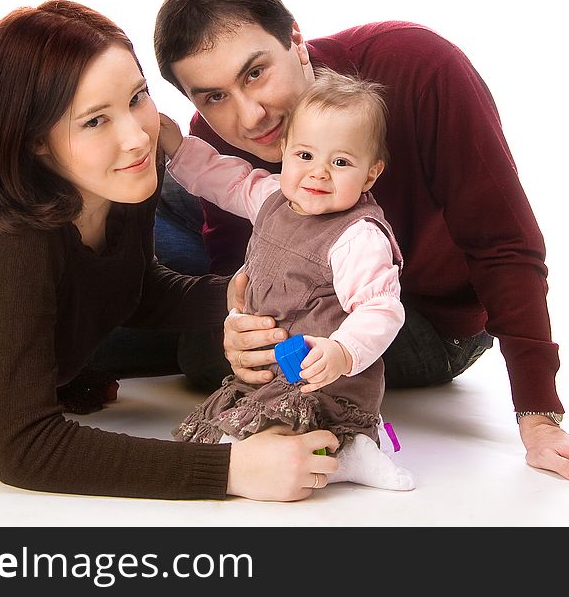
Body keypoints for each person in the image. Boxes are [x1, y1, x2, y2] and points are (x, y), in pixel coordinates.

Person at [152, 0, 569, 488]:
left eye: (256, 73)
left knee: (191, 343)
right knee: (144, 186)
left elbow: (502, 242)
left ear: (295, 40)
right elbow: (242, 262)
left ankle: (105, 319)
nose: (251, 115)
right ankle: (88, 316)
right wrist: (238, 320)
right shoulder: (213, 135)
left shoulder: (417, 66)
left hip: (417, 318)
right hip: (302, 292)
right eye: (212, 96)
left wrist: (539, 418)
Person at [0, 0, 340, 501]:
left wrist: (238, 298)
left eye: (136, 97)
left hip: (75, 337)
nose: (136, 136)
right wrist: (231, 470)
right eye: (94, 121)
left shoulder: (123, 175)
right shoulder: (7, 234)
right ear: (36, 141)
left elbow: (131, 288)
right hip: (1, 367)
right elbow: (23, 447)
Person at [161, 68, 414, 491]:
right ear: (284, 151)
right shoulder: (273, 198)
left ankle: (351, 450)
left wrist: (342, 350)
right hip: (272, 371)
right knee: (240, 421)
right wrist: (173, 145)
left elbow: (380, 308)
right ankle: (344, 451)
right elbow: (224, 178)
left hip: (327, 381)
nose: (318, 173)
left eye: (341, 162)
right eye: (305, 156)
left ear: (370, 174)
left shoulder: (357, 236)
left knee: (278, 432)